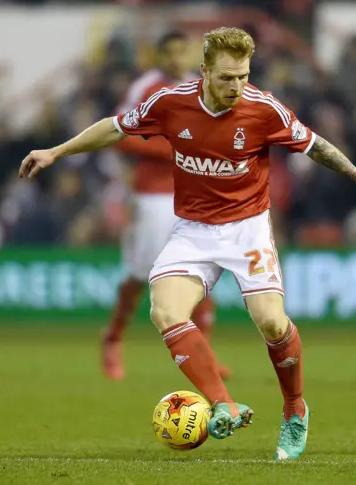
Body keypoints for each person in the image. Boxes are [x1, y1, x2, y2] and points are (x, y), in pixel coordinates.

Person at [19, 27, 356, 461]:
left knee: (272, 324)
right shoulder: (170, 102)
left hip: (247, 228)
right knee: (165, 310)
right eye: (227, 77)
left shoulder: (263, 109)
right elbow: (115, 129)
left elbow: (314, 145)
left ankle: (294, 409)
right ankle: (223, 404)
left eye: (243, 76)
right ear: (205, 71)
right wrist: (56, 151)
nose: (237, 87)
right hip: (193, 230)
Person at [101, 31, 230, 382]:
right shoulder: (144, 89)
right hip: (154, 195)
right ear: (158, 55)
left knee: (202, 270)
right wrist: (170, 149)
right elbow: (119, 135)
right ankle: (112, 338)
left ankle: (205, 355)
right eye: (169, 52)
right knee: (140, 274)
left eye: (181, 51)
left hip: (196, 192)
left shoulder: (200, 87)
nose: (176, 58)